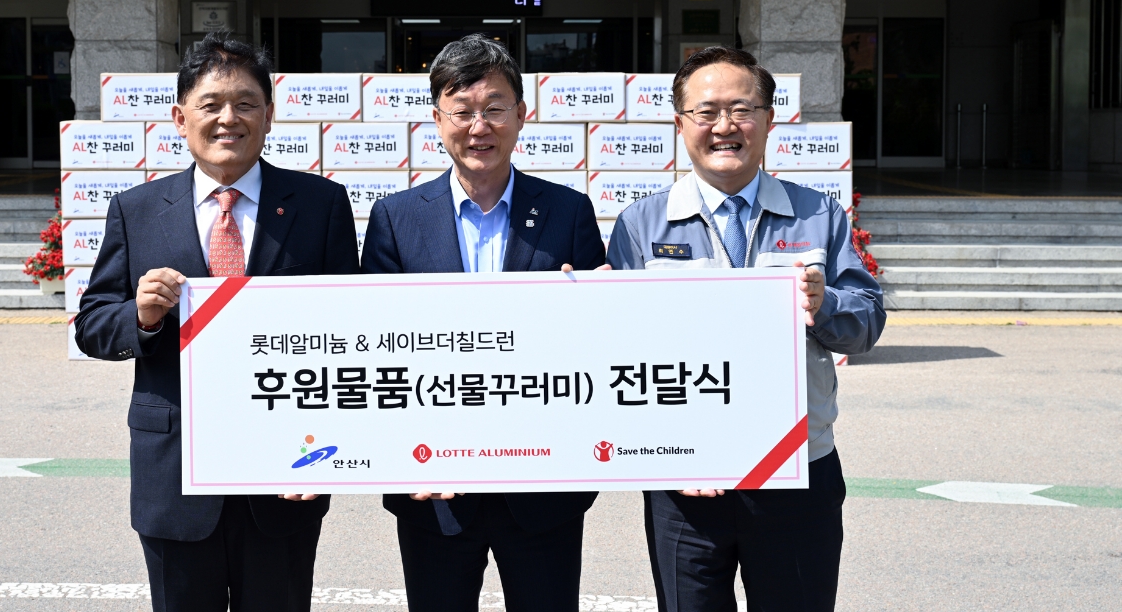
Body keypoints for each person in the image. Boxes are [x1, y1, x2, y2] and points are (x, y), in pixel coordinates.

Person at [75, 31, 360, 612]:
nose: (229, 118)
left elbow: (352, 334)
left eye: (246, 103)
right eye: (211, 105)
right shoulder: (137, 210)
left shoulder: (320, 205)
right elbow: (92, 325)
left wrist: (332, 450)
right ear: (181, 119)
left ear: (269, 115)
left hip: (285, 471)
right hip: (174, 474)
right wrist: (142, 316)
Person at [606, 46, 885, 612]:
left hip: (797, 472)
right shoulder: (641, 223)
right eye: (706, 112)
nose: (724, 126)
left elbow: (865, 324)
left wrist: (824, 302)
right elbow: (619, 352)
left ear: (768, 119)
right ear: (680, 123)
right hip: (686, 479)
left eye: (741, 110)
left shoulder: (818, 215)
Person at [361, 33, 605, 612]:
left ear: (521, 114)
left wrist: (597, 302)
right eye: (462, 111)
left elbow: (598, 342)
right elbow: (374, 348)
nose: (479, 127)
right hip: (434, 486)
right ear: (436, 119)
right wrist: (397, 455)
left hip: (543, 482)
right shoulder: (395, 218)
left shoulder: (568, 211)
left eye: (494, 109)